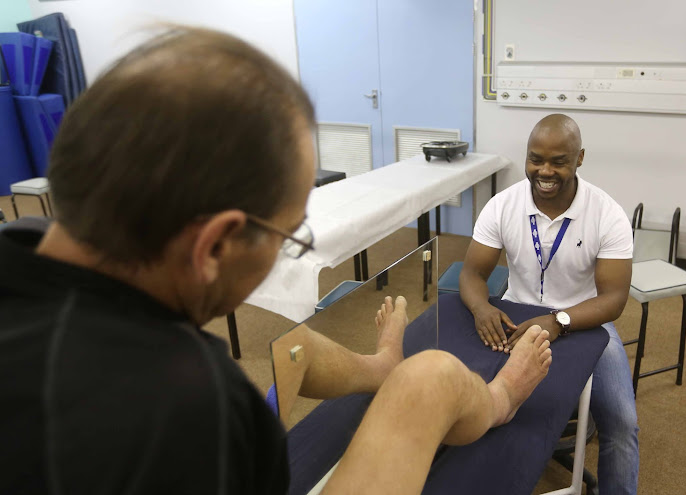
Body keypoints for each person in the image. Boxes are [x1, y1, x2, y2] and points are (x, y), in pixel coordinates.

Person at [0, 27, 553, 495]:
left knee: (298, 348)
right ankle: (499, 398)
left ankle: (380, 367)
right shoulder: (193, 409)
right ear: (215, 245)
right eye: (288, 236)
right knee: (429, 376)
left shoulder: (24, 241)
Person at [459, 113, 639, 494]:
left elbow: (613, 299)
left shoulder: (607, 214)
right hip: (514, 315)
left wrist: (559, 320)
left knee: (622, 423)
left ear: (580, 158)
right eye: (535, 158)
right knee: (468, 398)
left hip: (585, 318)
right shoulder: (502, 205)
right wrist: (483, 308)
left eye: (559, 161)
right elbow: (473, 275)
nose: (545, 170)